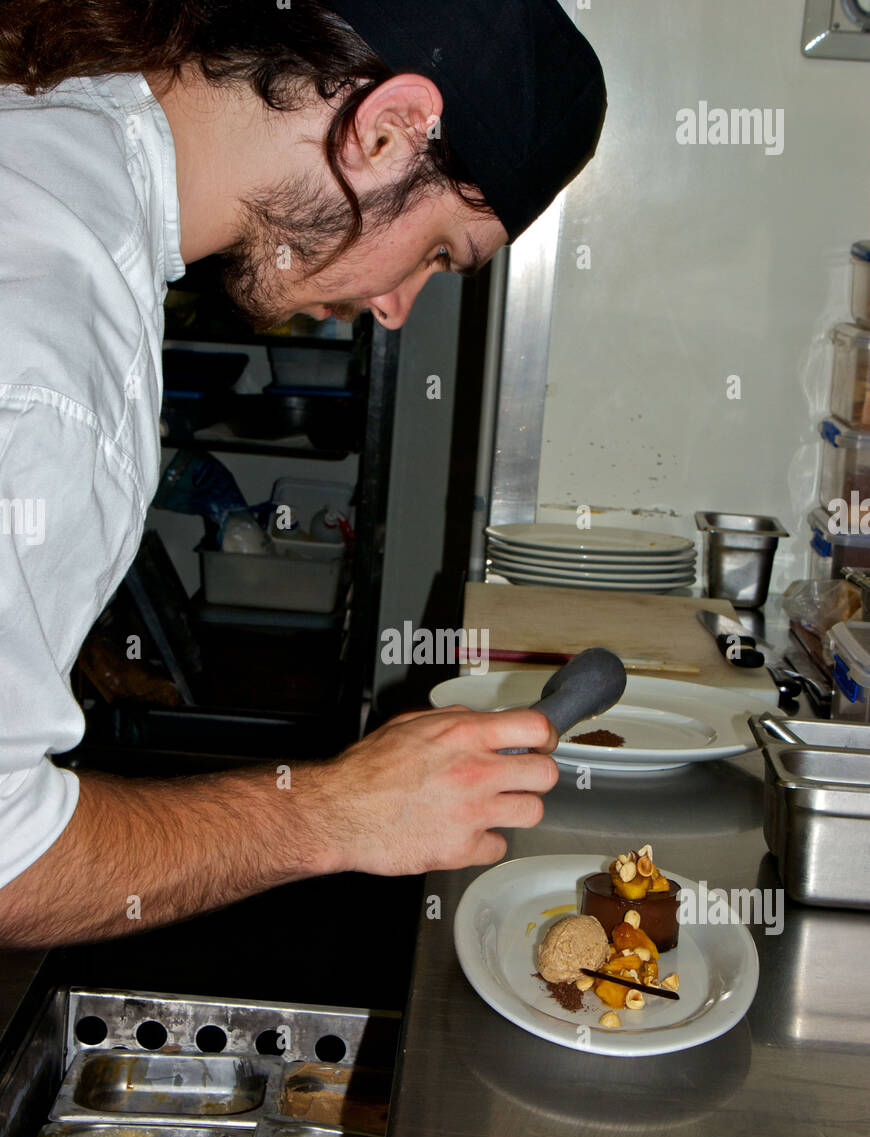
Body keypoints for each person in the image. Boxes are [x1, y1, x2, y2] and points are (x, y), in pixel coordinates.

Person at [0, 1, 606, 946]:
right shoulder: (51, 352)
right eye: (443, 252)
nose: (399, 308)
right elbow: (7, 863)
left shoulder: (40, 125)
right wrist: (336, 814)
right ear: (390, 126)